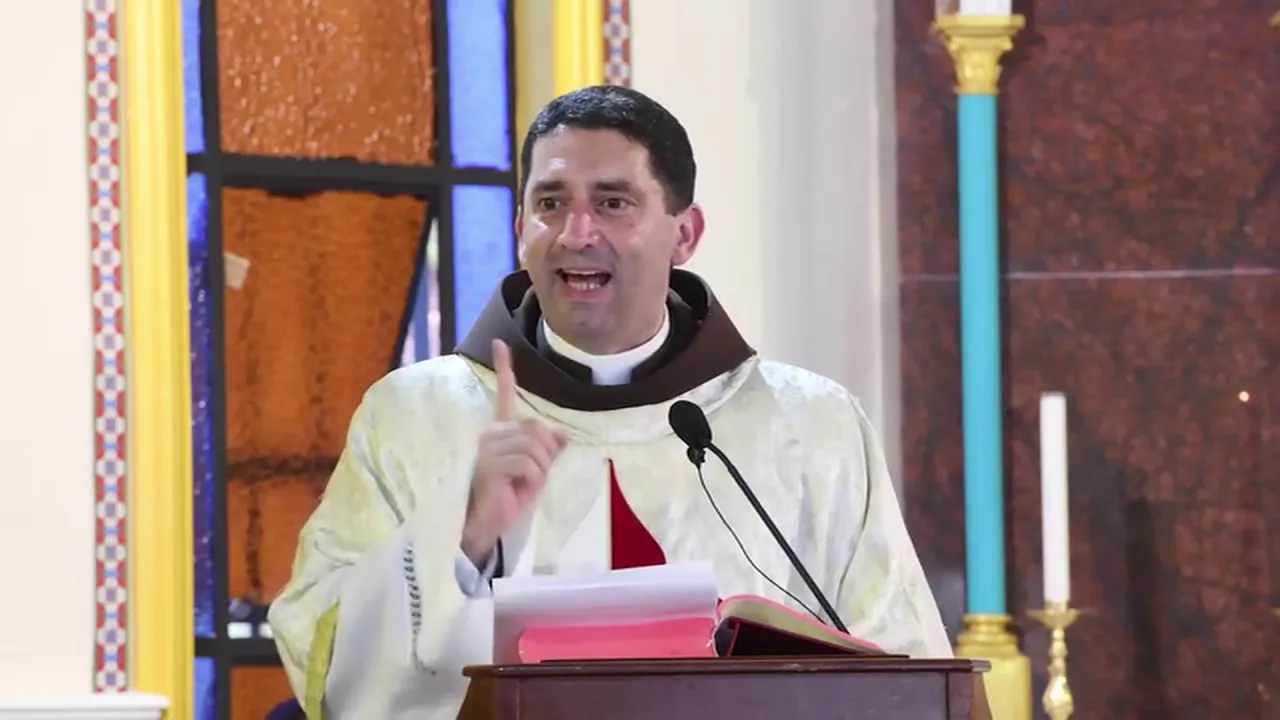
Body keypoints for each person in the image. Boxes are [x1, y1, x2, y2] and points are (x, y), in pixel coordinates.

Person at [268, 84, 951, 719]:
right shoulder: (413, 415)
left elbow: (904, 669)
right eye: (551, 203)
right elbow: (323, 658)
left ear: (685, 234)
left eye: (613, 203)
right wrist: (461, 537)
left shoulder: (811, 425)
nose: (576, 233)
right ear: (520, 227)